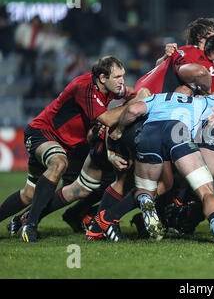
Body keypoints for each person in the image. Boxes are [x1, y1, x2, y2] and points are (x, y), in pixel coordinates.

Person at [91, 84, 214, 244]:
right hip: (179, 135)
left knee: (147, 189)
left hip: (150, 135)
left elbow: (134, 110)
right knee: (206, 191)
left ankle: (136, 204)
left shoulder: (157, 98)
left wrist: (119, 128)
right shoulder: (201, 102)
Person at [0, 56, 138, 242]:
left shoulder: (109, 88)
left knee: (29, 194)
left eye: (123, 76)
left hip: (67, 143)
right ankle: (30, 225)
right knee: (59, 163)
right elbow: (107, 119)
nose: (122, 81)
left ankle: (22, 219)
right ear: (103, 78)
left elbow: (134, 91)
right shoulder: (85, 87)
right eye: (118, 77)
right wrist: (133, 106)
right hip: (43, 132)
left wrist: (143, 91)